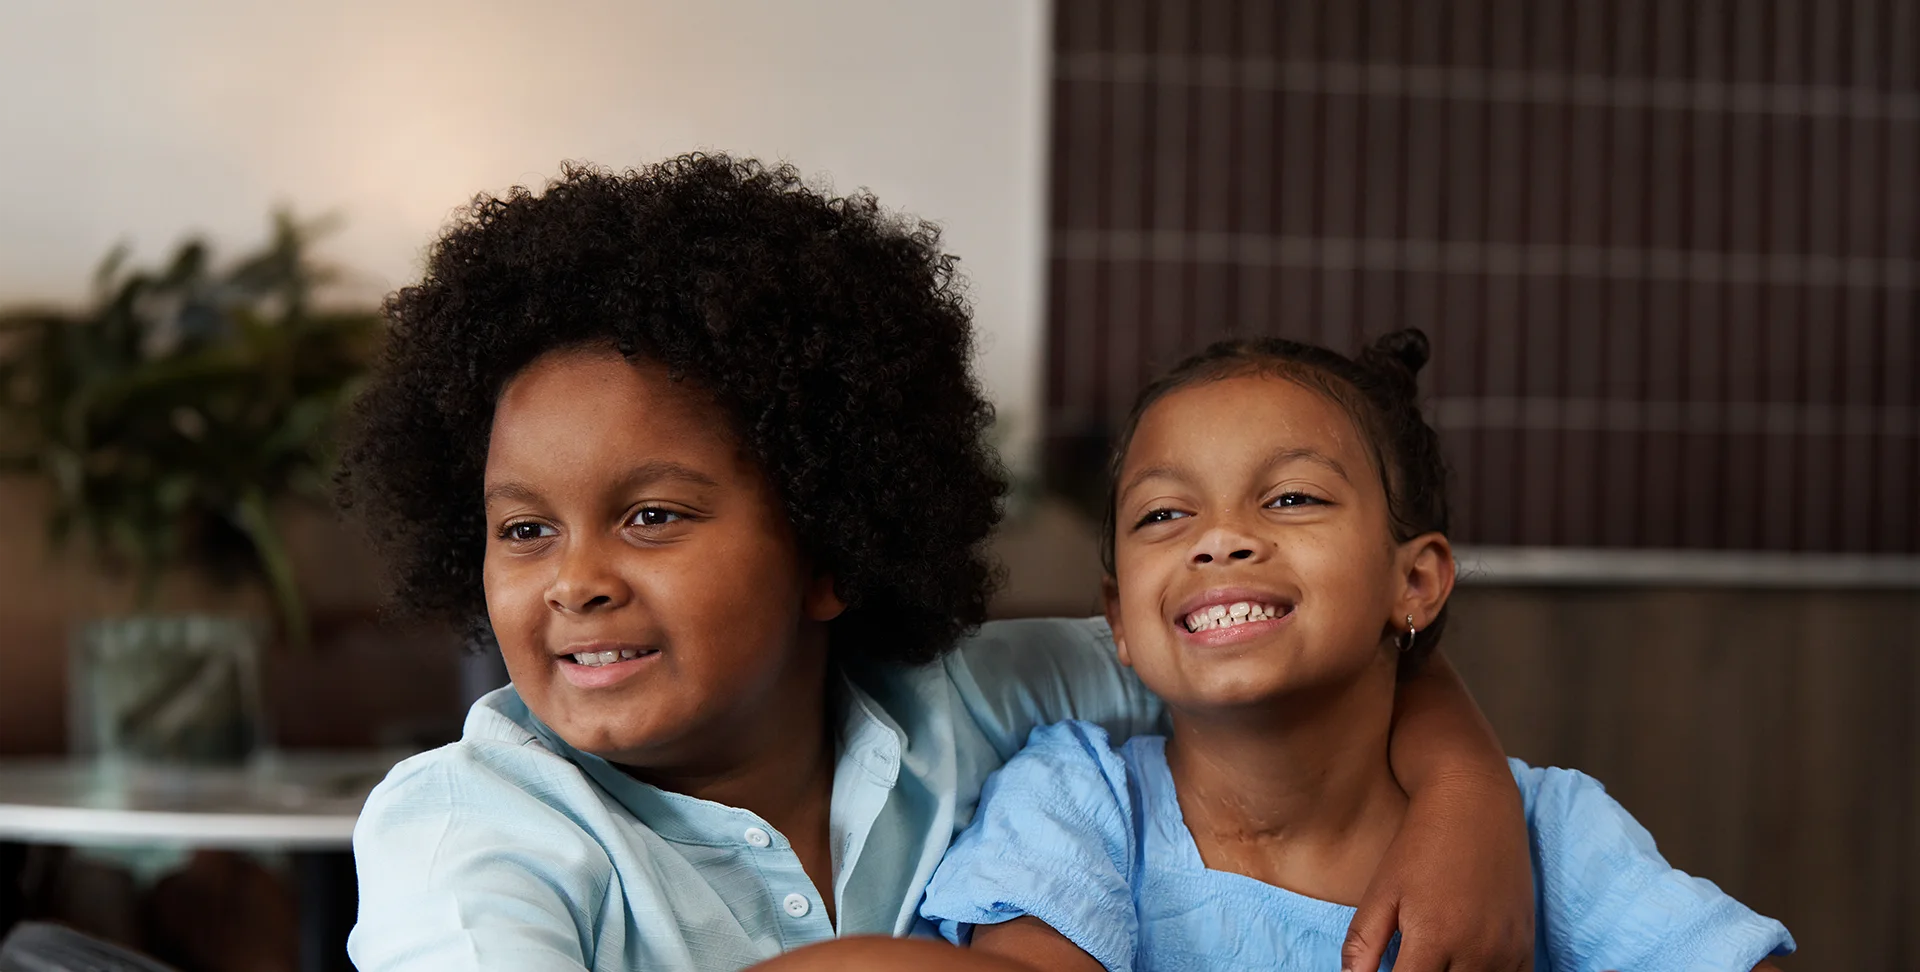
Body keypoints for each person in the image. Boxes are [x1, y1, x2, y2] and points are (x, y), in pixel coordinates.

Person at [335, 155, 1535, 972]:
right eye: (524, 529)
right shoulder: (466, 831)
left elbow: (1290, 647)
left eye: (651, 516)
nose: (575, 579)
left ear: (828, 547)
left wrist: (1466, 810)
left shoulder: (976, 701)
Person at [917, 330, 1797, 971]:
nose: (1218, 539)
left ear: (1414, 581)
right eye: (1163, 514)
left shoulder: (1547, 830)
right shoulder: (1074, 799)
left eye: (1292, 498)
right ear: (1118, 617)